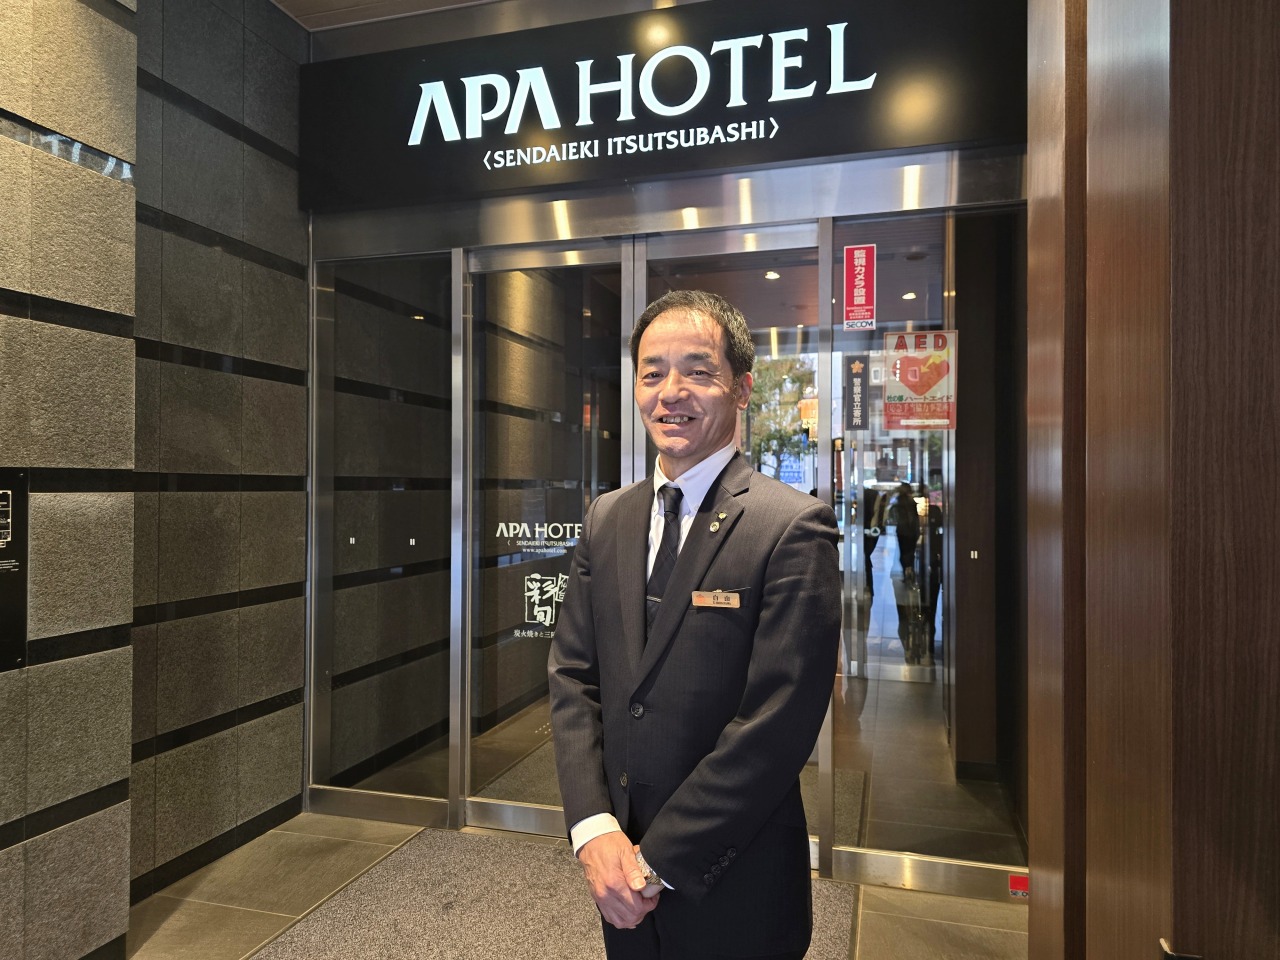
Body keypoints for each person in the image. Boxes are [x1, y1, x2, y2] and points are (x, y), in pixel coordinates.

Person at [549, 290, 841, 960]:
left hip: (733, 883)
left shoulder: (791, 527)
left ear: (742, 388)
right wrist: (593, 829)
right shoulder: (607, 518)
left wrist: (657, 863)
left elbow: (778, 723)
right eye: (652, 373)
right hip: (616, 871)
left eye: (698, 371)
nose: (670, 392)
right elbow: (573, 676)